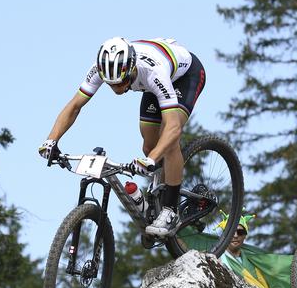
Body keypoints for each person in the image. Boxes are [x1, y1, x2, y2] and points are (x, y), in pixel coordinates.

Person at [39, 37, 206, 237]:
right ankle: (159, 196)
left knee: (167, 142)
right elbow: (74, 106)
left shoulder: (153, 73)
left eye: (122, 82)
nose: (118, 88)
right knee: (149, 146)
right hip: (151, 83)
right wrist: (51, 140)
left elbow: (173, 127)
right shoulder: (102, 68)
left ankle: (171, 209)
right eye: (111, 84)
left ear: (131, 68)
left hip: (184, 76)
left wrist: (151, 161)